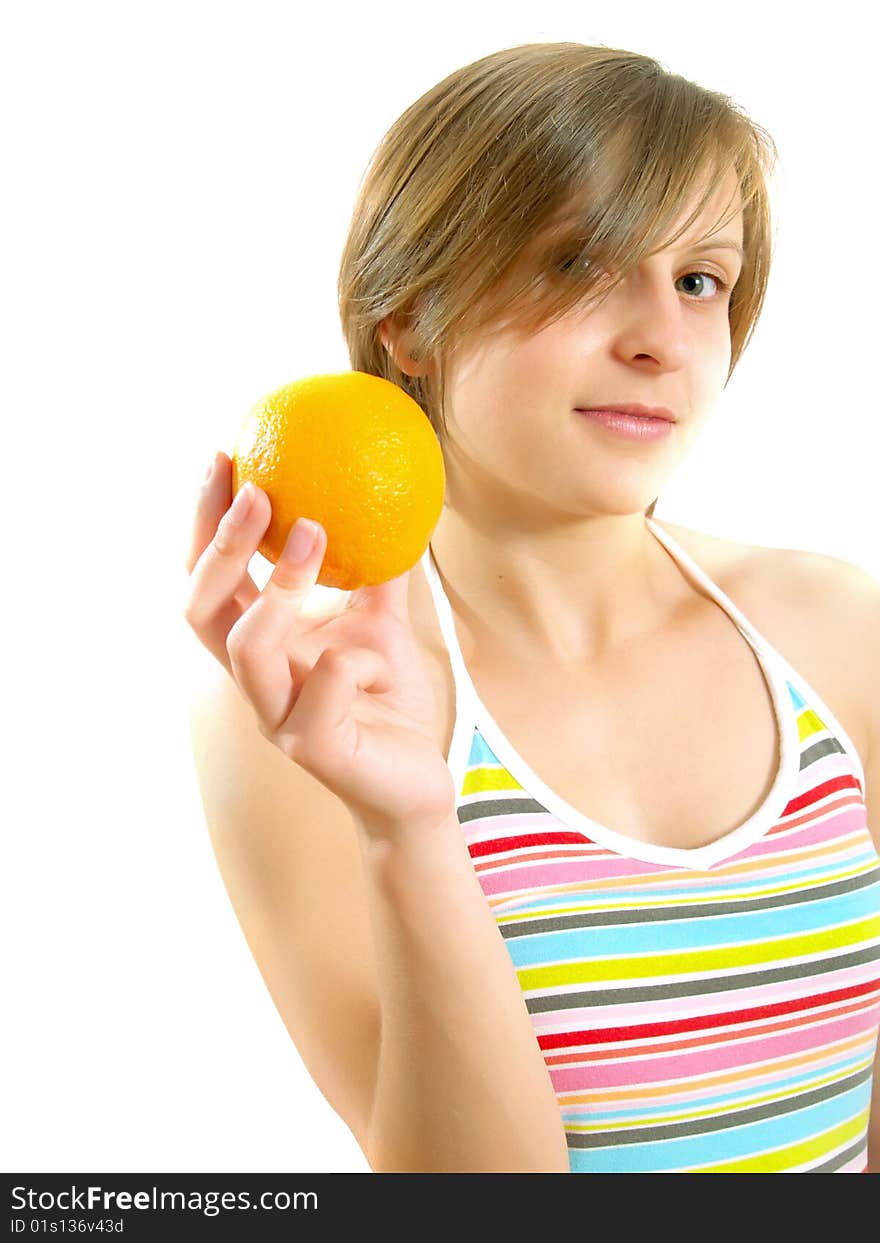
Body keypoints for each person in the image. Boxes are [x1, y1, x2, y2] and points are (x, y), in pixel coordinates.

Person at [183, 41, 880, 1173]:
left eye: (699, 279)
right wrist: (405, 826)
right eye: (576, 262)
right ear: (405, 320)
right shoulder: (306, 717)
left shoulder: (838, 630)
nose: (661, 337)